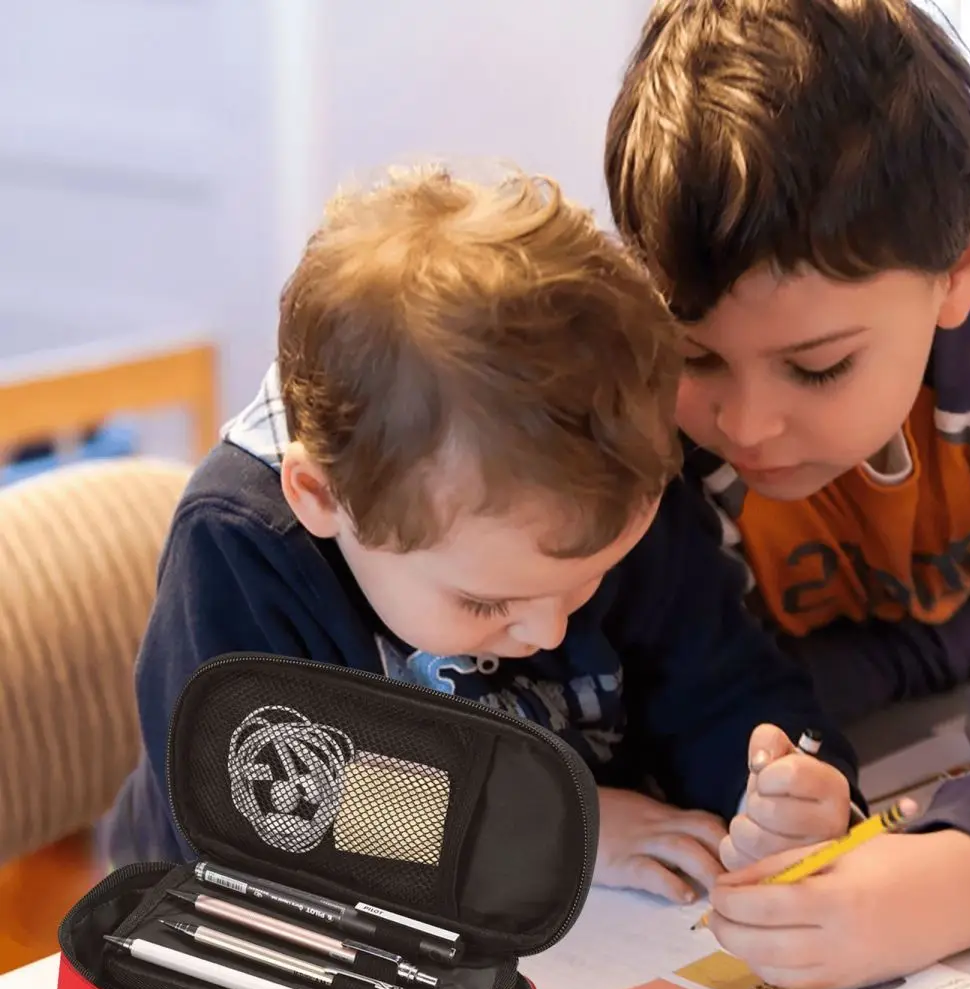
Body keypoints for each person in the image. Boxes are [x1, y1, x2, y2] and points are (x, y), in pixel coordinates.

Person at [100, 165, 864, 907]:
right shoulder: (243, 547)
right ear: (323, 499)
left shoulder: (601, 488)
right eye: (484, 603)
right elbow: (257, 799)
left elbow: (719, 684)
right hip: (223, 938)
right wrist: (562, 830)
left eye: (588, 581)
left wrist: (783, 792)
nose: (550, 625)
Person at [603, 0, 970, 989]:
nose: (746, 425)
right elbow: (673, 696)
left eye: (817, 368)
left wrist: (968, 875)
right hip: (836, 723)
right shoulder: (634, 398)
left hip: (965, 699)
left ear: (957, 274)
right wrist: (780, 785)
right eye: (694, 355)